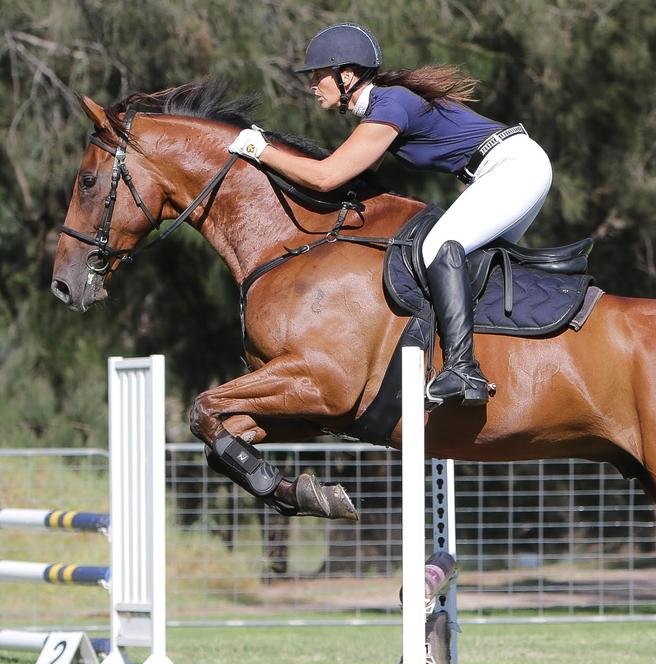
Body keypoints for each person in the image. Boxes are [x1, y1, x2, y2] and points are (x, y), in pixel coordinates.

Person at [228, 23, 553, 406]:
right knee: (474, 269)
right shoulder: (385, 107)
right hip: (516, 166)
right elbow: (353, 179)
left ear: (345, 75)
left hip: (513, 167)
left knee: (438, 248)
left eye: (318, 75)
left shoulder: (390, 104)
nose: (313, 85)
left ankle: (464, 371)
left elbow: (326, 175)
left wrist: (259, 150)